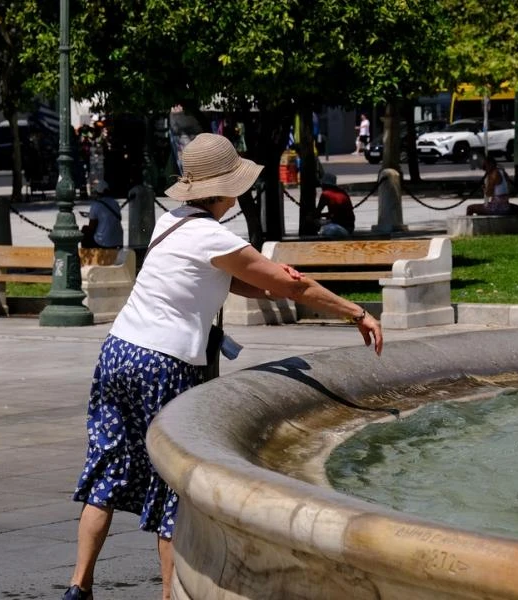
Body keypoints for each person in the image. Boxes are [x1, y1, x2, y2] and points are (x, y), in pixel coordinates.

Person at [59, 133, 383, 600]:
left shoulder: (170, 222)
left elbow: (226, 280)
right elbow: (289, 287)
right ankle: (172, 595)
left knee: (107, 468)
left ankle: (79, 586)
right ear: (227, 189)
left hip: (118, 352)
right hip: (163, 362)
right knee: (174, 487)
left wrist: (269, 285)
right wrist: (356, 312)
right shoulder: (214, 235)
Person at [80, 180, 124, 249]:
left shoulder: (96, 205)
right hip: (118, 241)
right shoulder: (115, 203)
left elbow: (92, 226)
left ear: (97, 192)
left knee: (85, 230)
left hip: (103, 242)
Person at [316, 173, 355, 238]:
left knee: (320, 227)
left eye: (322, 185)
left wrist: (310, 217)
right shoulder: (343, 192)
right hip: (349, 228)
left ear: (325, 184)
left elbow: (317, 212)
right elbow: (338, 213)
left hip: (337, 227)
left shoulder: (325, 194)